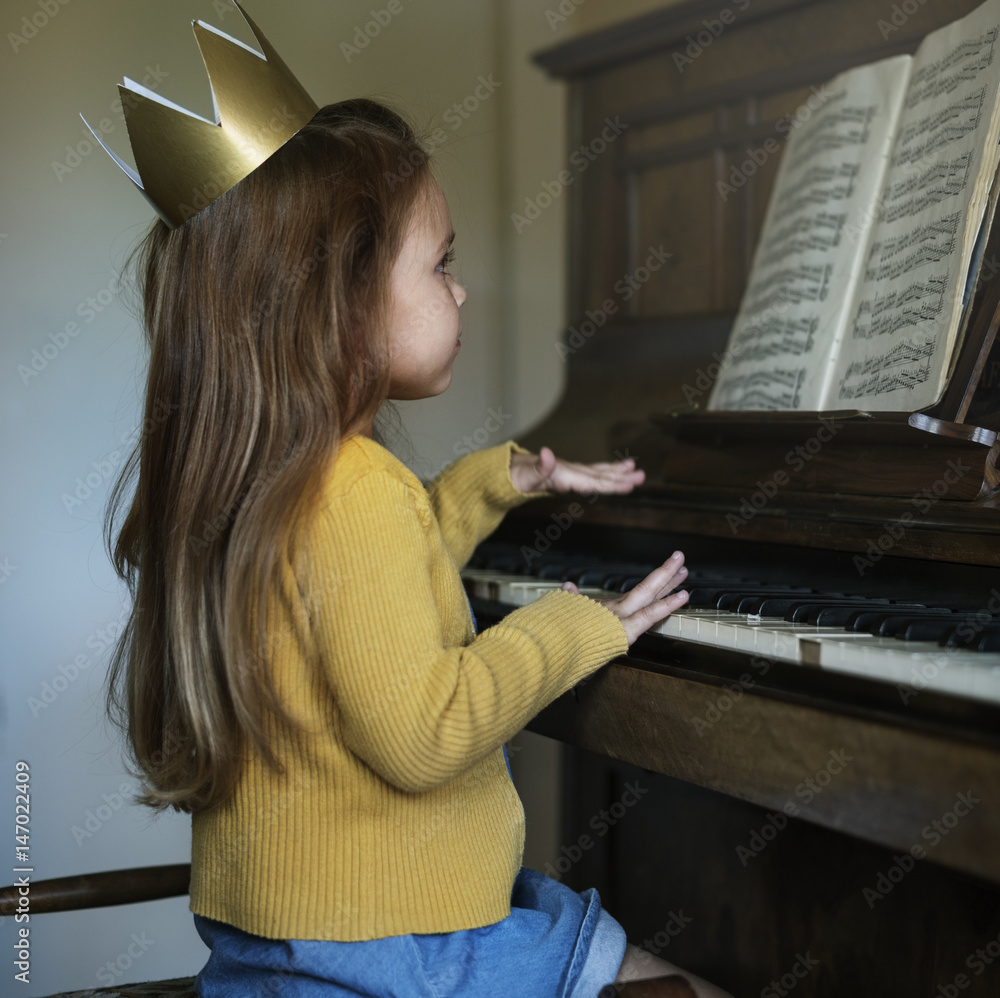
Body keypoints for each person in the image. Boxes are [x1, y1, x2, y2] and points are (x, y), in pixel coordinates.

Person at [99, 11, 733, 998]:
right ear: (339, 303)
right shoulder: (355, 492)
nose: (463, 291)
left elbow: (362, 601)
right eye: (439, 264)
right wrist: (576, 623)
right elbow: (427, 729)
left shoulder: (264, 484)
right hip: (407, 952)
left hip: (277, 942)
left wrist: (495, 482)